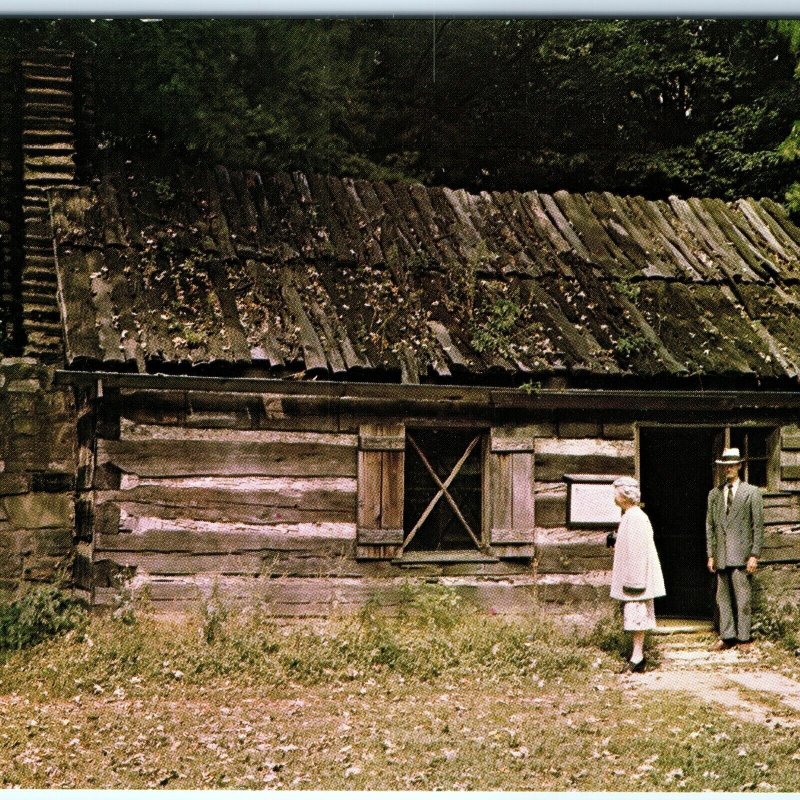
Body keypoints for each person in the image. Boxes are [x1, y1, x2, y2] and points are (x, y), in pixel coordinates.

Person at [705, 447, 764, 650]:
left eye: (732, 465)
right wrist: (710, 554)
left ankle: (744, 637)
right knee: (722, 599)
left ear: (739, 466)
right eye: (725, 466)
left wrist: (754, 554)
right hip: (721, 554)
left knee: (743, 598)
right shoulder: (715, 494)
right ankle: (727, 636)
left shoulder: (752, 493)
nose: (728, 468)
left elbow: (757, 526)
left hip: (741, 554)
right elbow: (710, 526)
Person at [609, 476, 666, 673]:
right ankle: (636, 654)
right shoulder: (629, 516)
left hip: (636, 577)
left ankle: (638, 655)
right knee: (634, 614)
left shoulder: (635, 517)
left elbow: (638, 551)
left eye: (616, 492)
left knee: (637, 614)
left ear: (624, 494)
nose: (614, 496)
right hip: (633, 574)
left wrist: (634, 580)